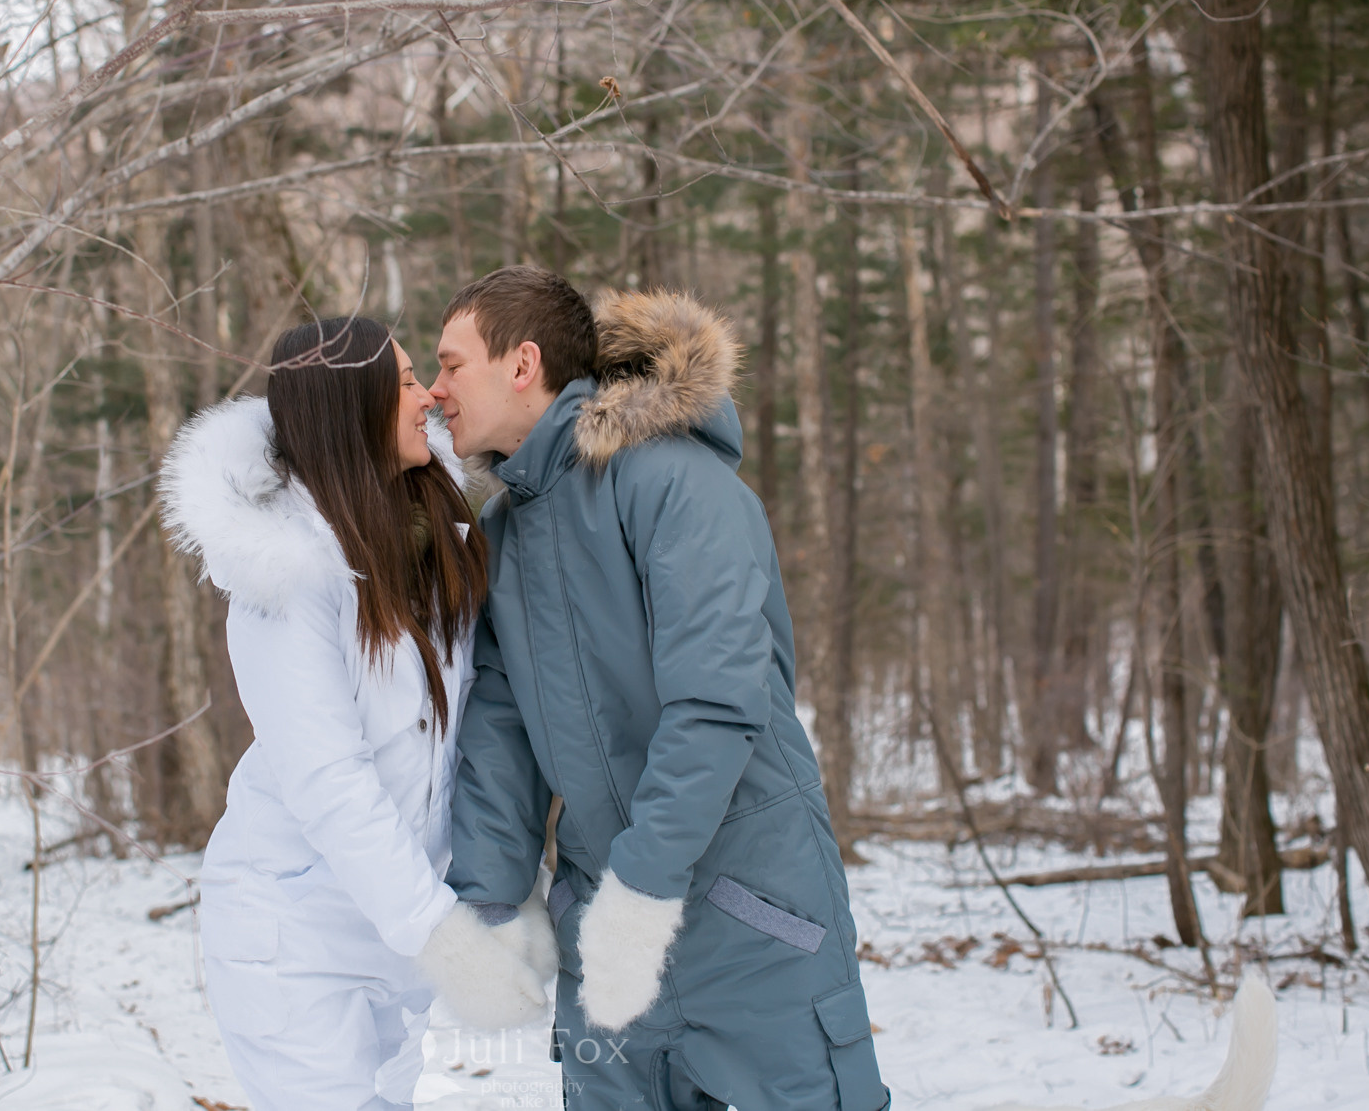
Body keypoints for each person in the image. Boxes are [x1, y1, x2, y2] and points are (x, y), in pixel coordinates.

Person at [425, 267, 892, 1111]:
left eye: (451, 364)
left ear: (522, 363)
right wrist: (492, 907)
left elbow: (716, 705)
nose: (434, 388)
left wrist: (641, 896)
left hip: (749, 911)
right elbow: (500, 739)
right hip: (604, 931)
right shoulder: (501, 532)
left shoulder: (673, 481)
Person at [158, 316, 554, 1111]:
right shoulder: (290, 575)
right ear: (352, 408)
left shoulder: (429, 540)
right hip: (296, 938)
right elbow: (329, 781)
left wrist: (514, 891)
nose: (427, 397)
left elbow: (464, 743)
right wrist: (438, 931)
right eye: (404, 382)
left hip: (392, 940)